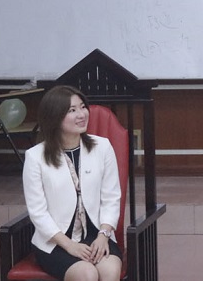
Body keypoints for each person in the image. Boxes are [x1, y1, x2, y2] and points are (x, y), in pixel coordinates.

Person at [22, 85, 122, 281]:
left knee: (110, 272)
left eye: (83, 107)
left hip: (98, 235)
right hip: (56, 241)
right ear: (54, 117)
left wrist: (103, 235)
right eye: (72, 110)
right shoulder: (35, 157)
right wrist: (70, 246)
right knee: (87, 274)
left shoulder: (102, 147)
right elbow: (38, 212)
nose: (81, 114)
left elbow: (111, 198)